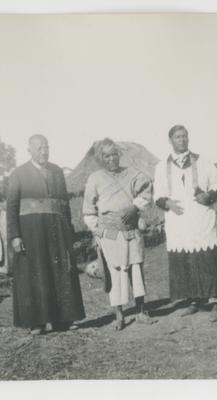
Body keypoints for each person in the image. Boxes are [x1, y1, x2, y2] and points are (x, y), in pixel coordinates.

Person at [7, 134, 85, 335]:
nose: (44, 151)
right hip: (31, 232)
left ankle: (64, 319)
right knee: (36, 273)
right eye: (39, 148)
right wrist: (15, 236)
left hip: (57, 230)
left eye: (46, 147)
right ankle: (37, 322)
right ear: (30, 150)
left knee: (60, 272)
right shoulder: (18, 174)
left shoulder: (57, 171)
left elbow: (64, 203)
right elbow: (12, 207)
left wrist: (69, 229)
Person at [154, 125, 217, 322]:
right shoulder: (162, 166)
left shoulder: (202, 161)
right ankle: (194, 300)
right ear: (170, 140)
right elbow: (157, 194)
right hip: (178, 220)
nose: (182, 140)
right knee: (186, 259)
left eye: (185, 136)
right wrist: (167, 202)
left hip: (200, 216)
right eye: (178, 137)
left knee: (206, 257)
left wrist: (210, 195)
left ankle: (216, 302)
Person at [83, 138, 156, 331]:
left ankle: (141, 311)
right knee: (115, 273)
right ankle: (119, 315)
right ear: (101, 158)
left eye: (114, 154)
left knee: (136, 269)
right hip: (109, 233)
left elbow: (147, 192)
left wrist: (134, 207)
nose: (112, 159)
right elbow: (88, 210)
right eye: (106, 156)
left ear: (119, 155)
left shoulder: (132, 173)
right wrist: (97, 231)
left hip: (131, 230)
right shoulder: (95, 178)